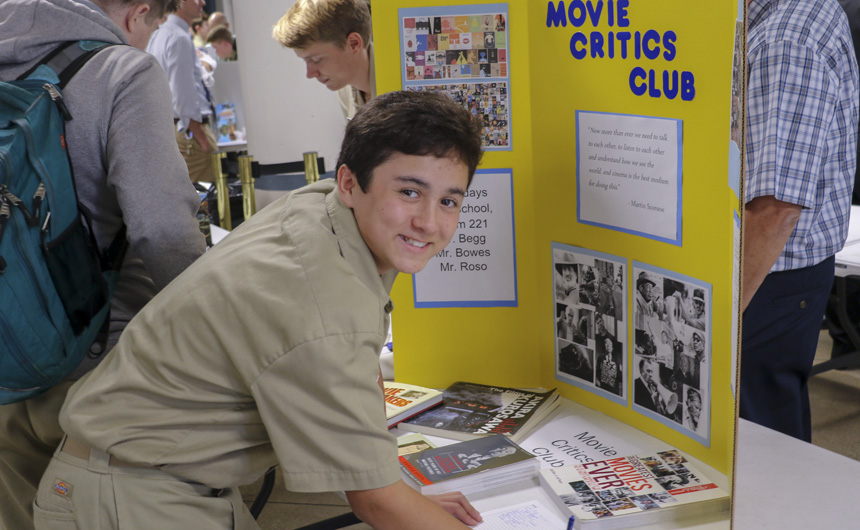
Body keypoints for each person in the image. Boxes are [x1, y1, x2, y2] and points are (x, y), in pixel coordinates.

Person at [32, 91, 484, 530]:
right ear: (350, 183)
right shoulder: (322, 299)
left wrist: (400, 494)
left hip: (160, 478)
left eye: (448, 201)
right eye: (409, 192)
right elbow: (375, 502)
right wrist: (394, 498)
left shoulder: (326, 210)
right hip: (128, 494)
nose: (429, 222)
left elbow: (359, 378)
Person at [0, 1, 207, 529]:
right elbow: (162, 229)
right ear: (139, 13)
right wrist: (216, 335)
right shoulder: (122, 71)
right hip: (93, 369)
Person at [741, 0, 859, 441]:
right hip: (777, 268)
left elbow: (775, 210)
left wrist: (718, 319)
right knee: (762, 420)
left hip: (768, 270)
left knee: (757, 436)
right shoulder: (789, 15)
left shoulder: (786, 39)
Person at [147, 0, 217, 183]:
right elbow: (182, 93)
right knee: (203, 194)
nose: (202, 2)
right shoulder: (178, 37)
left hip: (177, 130)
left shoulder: (160, 34)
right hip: (189, 132)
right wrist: (200, 136)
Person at [273, 0, 376, 120]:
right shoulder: (344, 87)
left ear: (354, 43)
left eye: (316, 59)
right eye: (305, 61)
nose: (310, 74)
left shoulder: (396, 83)